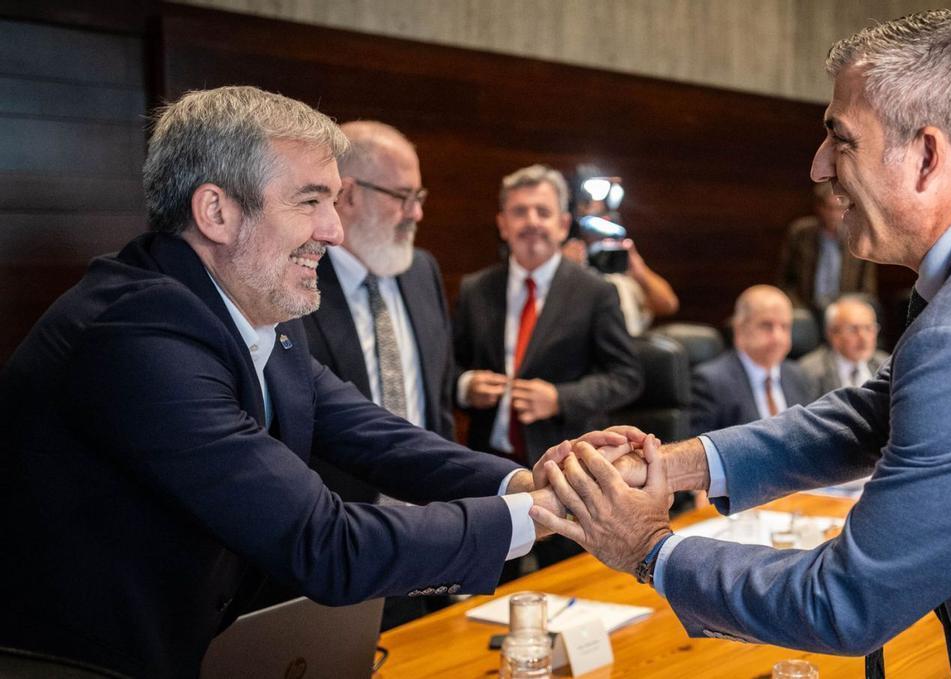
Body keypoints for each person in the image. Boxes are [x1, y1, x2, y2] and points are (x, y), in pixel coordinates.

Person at [531, 10, 951, 678]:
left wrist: (650, 548)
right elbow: (887, 406)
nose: (819, 167)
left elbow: (844, 602)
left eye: (839, 139)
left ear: (927, 154)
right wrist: (681, 466)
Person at [0, 86, 568, 678]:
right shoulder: (137, 334)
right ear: (216, 212)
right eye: (311, 200)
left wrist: (527, 481)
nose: (333, 230)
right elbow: (324, 542)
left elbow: (377, 436)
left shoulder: (239, 308)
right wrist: (541, 515)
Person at [302, 121, 454, 499]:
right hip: (340, 518)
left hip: (431, 509)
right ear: (348, 194)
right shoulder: (297, 278)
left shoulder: (422, 270)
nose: (416, 213)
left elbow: (439, 398)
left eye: (419, 196)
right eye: (403, 196)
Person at [454, 164, 643, 465]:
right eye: (519, 212)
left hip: (566, 463)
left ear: (563, 224)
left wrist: (559, 399)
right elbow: (450, 366)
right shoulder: (475, 289)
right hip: (488, 463)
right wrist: (464, 387)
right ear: (503, 224)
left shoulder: (595, 292)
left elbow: (627, 377)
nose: (532, 222)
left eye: (543, 212)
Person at [563, 167, 679, 335]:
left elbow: (669, 305)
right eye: (587, 205)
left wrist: (640, 271)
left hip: (627, 347)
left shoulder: (619, 260)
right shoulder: (563, 260)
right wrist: (565, 267)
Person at [689, 285, 811, 435]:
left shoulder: (799, 375)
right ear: (739, 329)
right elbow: (699, 452)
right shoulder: (711, 382)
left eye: (785, 327)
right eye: (766, 326)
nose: (778, 338)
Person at [777, 181, 877, 314]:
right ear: (819, 207)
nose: (833, 215)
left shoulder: (858, 236)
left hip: (844, 307)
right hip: (806, 306)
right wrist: (795, 306)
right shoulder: (800, 233)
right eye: (829, 208)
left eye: (839, 209)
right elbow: (785, 279)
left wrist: (852, 308)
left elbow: (867, 287)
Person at [797, 294, 889, 403]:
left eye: (869, 328)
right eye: (853, 329)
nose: (864, 338)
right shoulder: (809, 372)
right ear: (832, 334)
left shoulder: (886, 365)